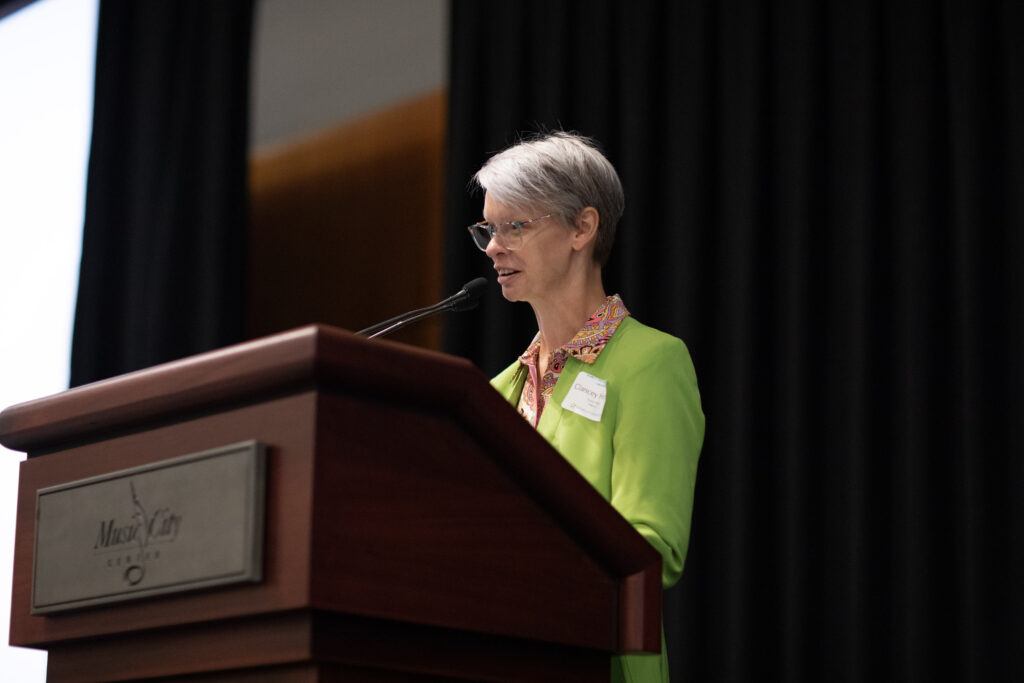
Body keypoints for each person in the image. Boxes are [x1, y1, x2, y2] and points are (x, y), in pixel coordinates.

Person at [467, 131, 705, 683]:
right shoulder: (494, 392)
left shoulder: (650, 363)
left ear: (582, 228)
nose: (493, 247)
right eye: (487, 229)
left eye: (515, 227)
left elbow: (652, 548)